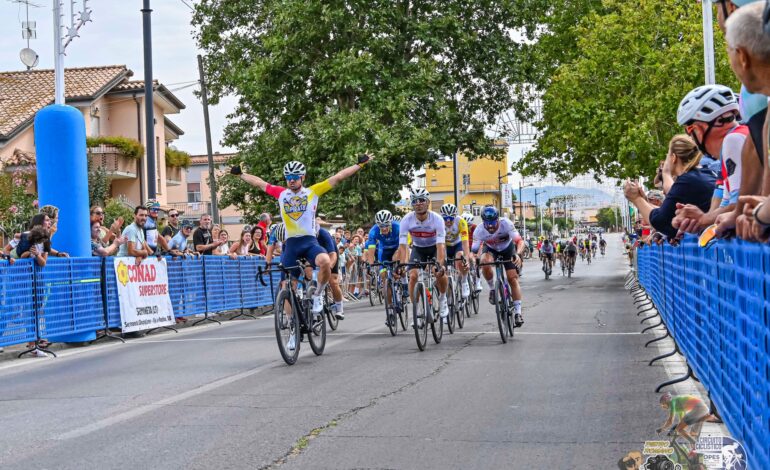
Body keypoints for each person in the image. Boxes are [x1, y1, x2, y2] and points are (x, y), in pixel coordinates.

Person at [233, 154, 373, 340]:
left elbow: (338, 177)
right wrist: (240, 174)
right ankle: (292, 326)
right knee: (285, 286)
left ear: (302, 178)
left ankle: (318, 294)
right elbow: (260, 183)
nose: (291, 181)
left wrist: (359, 165)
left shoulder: (313, 192)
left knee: (324, 261)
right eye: (288, 178)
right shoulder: (281, 194)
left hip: (309, 241)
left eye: (295, 177)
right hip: (290, 245)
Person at [672, 85, 747, 234]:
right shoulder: (740, 138)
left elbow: (742, 205)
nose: (692, 140)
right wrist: (701, 220)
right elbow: (728, 205)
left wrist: (703, 219)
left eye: (690, 131)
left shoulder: (734, 140)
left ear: (701, 128)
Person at [625, 135, 717, 239]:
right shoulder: (705, 173)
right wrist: (644, 200)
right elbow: (666, 211)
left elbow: (660, 221)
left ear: (673, 158)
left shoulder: (687, 180)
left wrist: (636, 199)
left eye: (667, 155)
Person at [397, 188, 449, 323]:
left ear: (428, 203)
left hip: (434, 248)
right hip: (418, 249)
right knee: (413, 275)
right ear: (412, 204)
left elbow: (440, 245)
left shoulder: (437, 219)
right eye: (415, 201)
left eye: (422, 200)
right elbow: (403, 246)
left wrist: (440, 264)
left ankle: (443, 299)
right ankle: (417, 310)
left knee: (439, 272)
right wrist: (402, 264)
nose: (418, 203)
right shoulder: (406, 220)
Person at [471, 206, 526, 326]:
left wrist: (517, 254)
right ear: (482, 221)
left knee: (512, 278)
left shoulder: (506, 223)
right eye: (487, 223)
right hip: (491, 250)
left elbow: (520, 241)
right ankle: (492, 289)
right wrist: (474, 258)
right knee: (484, 261)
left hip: (507, 249)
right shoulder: (479, 230)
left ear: (498, 220)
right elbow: (474, 251)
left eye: (493, 223)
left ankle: (518, 312)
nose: (490, 226)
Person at [367, 210, 402, 326]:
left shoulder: (398, 226)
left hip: (397, 249)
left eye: (386, 225)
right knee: (384, 277)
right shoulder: (373, 231)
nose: (384, 228)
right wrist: (371, 265)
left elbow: (404, 246)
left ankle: (402, 286)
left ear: (390, 223)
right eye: (381, 226)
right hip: (384, 251)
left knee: (396, 264)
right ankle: (390, 309)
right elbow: (371, 250)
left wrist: (401, 263)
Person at [440, 203, 472, 298]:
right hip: (445, 245)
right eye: (446, 218)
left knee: (460, 257)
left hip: (457, 244)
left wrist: (466, 258)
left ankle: (464, 280)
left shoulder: (461, 222)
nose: (448, 221)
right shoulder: (439, 222)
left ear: (455, 216)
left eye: (451, 218)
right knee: (444, 267)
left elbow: (465, 242)